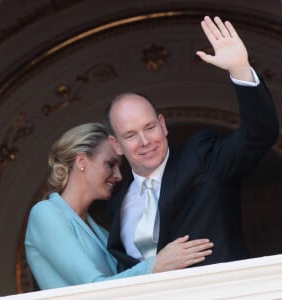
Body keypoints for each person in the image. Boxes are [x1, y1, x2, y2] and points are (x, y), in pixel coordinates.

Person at [105, 16, 279, 269]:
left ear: (163, 125)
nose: (144, 141)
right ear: (116, 144)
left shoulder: (202, 159)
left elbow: (259, 134)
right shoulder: (118, 199)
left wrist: (240, 68)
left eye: (150, 127)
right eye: (130, 135)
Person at [25, 122, 214, 290]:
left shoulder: (101, 232)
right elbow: (93, 288)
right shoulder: (45, 213)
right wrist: (156, 265)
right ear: (82, 161)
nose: (119, 176)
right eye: (110, 164)